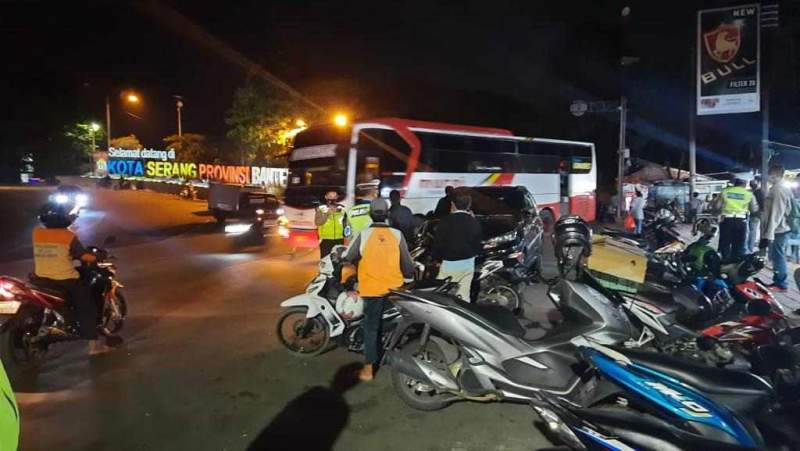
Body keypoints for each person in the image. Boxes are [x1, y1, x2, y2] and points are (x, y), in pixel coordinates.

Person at [344, 198, 415, 381]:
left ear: (370, 214)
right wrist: (408, 279)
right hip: (394, 289)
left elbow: (349, 256)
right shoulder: (397, 234)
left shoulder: (364, 234)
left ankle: (368, 370)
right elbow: (407, 263)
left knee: (371, 327)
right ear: (387, 214)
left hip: (371, 288)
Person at [31, 203, 114, 355]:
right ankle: (94, 347)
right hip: (65, 279)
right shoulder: (67, 235)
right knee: (88, 306)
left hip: (41, 278)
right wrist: (100, 256)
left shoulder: (37, 233)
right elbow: (84, 256)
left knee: (80, 273)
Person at [432, 189, 483, 301]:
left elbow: (438, 243)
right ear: (469, 205)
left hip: (449, 263)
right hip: (468, 263)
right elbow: (478, 243)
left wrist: (436, 259)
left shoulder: (445, 221)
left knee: (441, 295)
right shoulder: (473, 221)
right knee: (463, 295)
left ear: (453, 205)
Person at [760, 165, 794, 292]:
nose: (769, 176)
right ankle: (778, 281)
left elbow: (776, 213)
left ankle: (781, 283)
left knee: (778, 256)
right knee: (777, 255)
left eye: (770, 174)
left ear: (776, 174)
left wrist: (768, 235)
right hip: (781, 228)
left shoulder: (778, 190)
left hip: (780, 229)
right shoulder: (779, 188)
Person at [714, 178, 758, 260]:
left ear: (735, 183)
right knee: (739, 245)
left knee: (724, 244)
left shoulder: (725, 191)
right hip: (741, 221)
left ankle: (723, 263)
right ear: (745, 184)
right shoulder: (748, 194)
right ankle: (735, 265)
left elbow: (717, 206)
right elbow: (753, 209)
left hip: (726, 220)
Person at [315, 190, 347, 258]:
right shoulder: (321, 209)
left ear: (337, 197)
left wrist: (347, 236)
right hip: (326, 240)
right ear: (326, 197)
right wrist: (327, 214)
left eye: (334, 196)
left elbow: (346, 224)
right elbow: (318, 222)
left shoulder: (342, 209)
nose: (332, 198)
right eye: (330, 196)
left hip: (339, 239)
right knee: (326, 261)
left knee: (338, 262)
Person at [748, 178, 765, 253]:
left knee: (752, 231)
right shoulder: (759, 192)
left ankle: (750, 248)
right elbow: (763, 204)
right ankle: (751, 248)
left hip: (754, 214)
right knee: (753, 231)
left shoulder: (755, 192)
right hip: (757, 214)